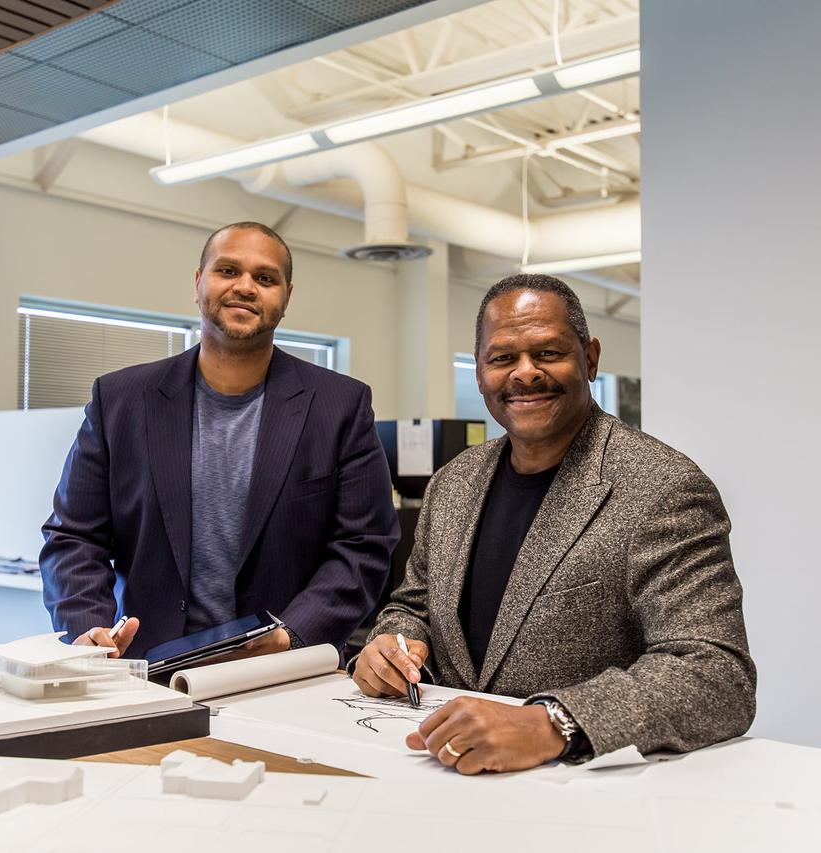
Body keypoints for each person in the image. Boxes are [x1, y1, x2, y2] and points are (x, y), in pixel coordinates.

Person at [353, 274, 756, 774]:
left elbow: (716, 675)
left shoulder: (662, 487)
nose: (524, 374)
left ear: (589, 358)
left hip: (580, 790)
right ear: (479, 372)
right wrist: (392, 644)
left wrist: (553, 723)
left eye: (547, 353)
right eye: (502, 358)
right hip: (443, 770)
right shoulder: (452, 483)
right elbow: (414, 606)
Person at [41, 221, 399, 661]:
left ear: (286, 297)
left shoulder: (340, 406)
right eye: (227, 271)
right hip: (144, 663)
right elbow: (74, 537)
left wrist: (292, 633)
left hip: (280, 670)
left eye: (265, 278)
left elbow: (364, 545)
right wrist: (88, 628)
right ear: (198, 283)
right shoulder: (120, 400)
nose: (245, 287)